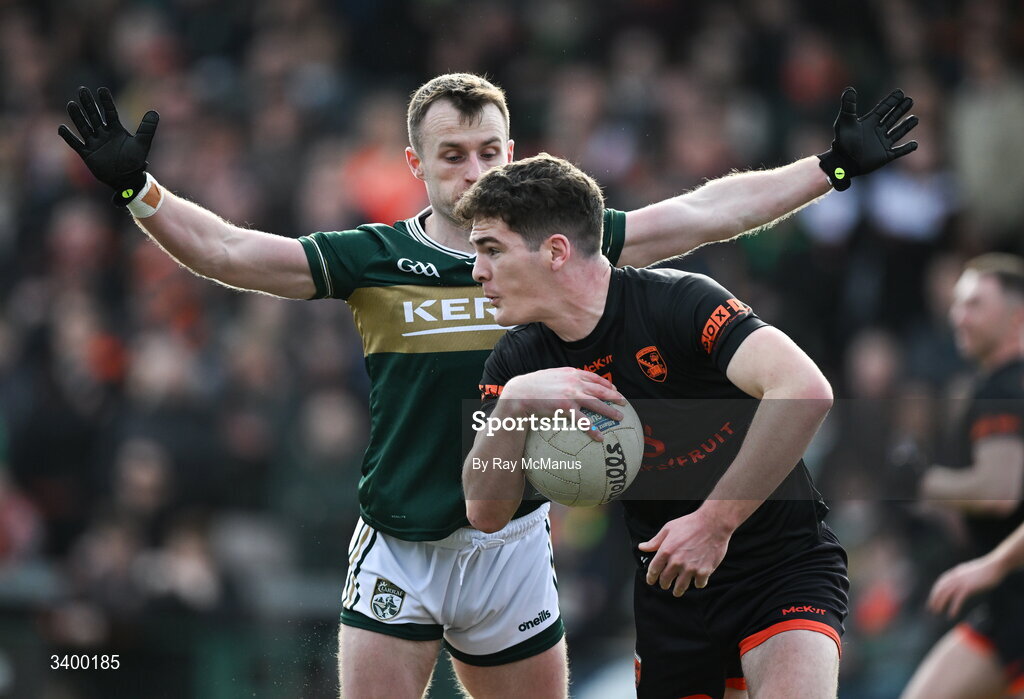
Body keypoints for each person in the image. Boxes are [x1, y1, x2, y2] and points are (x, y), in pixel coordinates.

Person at [58, 74, 916, 698]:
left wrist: (829, 170)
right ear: (416, 164)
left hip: (511, 541)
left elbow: (706, 213)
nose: (473, 170)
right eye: (453, 154)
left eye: (491, 151)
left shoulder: (560, 243)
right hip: (404, 536)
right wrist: (141, 190)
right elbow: (233, 253)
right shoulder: (374, 256)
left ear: (516, 151)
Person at [460, 154, 848, 699]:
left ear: (554, 251)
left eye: (492, 250)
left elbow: (804, 391)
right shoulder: (516, 365)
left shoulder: (679, 301)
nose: (477, 271)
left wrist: (715, 524)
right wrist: (514, 406)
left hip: (778, 568)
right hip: (670, 593)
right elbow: (485, 511)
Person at [901, 254, 1024, 699]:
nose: (959, 317)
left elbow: (998, 493)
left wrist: (924, 485)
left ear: (1017, 317)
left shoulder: (1005, 389)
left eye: (974, 304)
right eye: (957, 304)